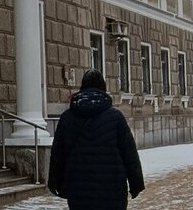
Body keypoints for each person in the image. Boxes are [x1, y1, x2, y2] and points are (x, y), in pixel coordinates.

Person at [48, 69, 145, 209]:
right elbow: (129, 154)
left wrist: (54, 182)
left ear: (82, 88)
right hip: (112, 190)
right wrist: (136, 183)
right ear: (103, 89)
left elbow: (58, 154)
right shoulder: (115, 117)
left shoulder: (67, 118)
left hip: (79, 190)